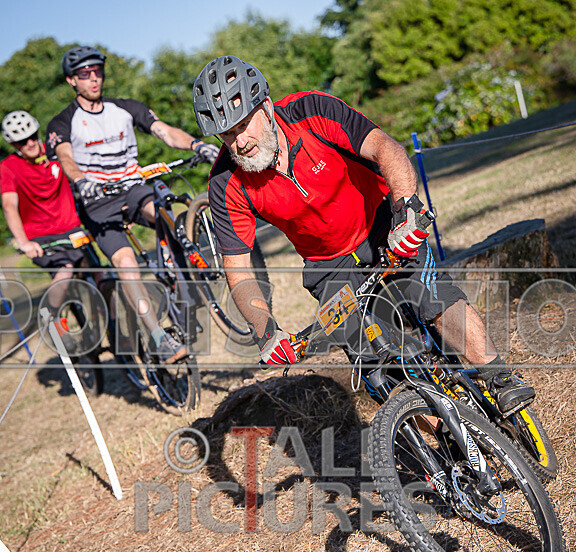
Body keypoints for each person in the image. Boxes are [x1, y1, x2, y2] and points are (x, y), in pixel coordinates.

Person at [192, 55, 535, 415]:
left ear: (265, 106)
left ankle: (499, 378)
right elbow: (238, 268)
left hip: (382, 224)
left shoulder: (311, 110)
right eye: (227, 134)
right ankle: (442, 449)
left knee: (433, 300)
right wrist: (264, 330)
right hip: (329, 266)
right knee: (376, 368)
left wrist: (407, 211)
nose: (240, 141)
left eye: (244, 124)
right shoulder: (225, 181)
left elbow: (386, 148)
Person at [46, 45, 220, 364]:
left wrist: (197, 144)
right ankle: (158, 336)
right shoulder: (63, 122)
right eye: (85, 74)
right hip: (97, 205)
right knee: (126, 263)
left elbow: (164, 131)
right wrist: (82, 181)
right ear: (72, 81)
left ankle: (176, 272)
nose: (94, 79)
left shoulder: (124, 108)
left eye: (97, 71)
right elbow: (66, 158)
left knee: (165, 213)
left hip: (131, 190)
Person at [0, 110, 94, 340]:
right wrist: (23, 242)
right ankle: (52, 317)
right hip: (40, 238)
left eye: (33, 136)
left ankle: (112, 325)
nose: (30, 143)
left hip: (73, 230)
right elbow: (10, 205)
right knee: (65, 270)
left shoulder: (56, 154)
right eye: (22, 141)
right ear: (13, 144)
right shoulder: (8, 168)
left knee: (100, 274)